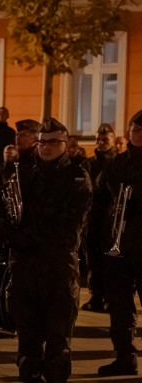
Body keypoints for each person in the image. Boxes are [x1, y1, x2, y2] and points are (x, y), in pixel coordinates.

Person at [0, 118, 90, 383]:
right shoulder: (20, 172)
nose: (47, 147)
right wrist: (5, 231)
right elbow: (0, 208)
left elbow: (67, 228)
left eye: (54, 142)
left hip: (58, 267)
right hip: (24, 267)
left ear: (66, 144)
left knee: (58, 336)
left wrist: (24, 236)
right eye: (43, 141)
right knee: (27, 335)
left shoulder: (77, 178)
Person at [93, 111, 142, 376]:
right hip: (118, 248)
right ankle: (125, 357)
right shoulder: (116, 163)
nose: (139, 135)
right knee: (120, 309)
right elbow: (100, 201)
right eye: (135, 130)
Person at [82, 124, 117, 312]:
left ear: (112, 140)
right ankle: (96, 296)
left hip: (111, 218)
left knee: (111, 261)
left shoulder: (117, 162)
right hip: (92, 217)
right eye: (98, 139)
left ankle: (110, 298)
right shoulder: (88, 163)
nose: (101, 142)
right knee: (93, 260)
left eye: (105, 139)